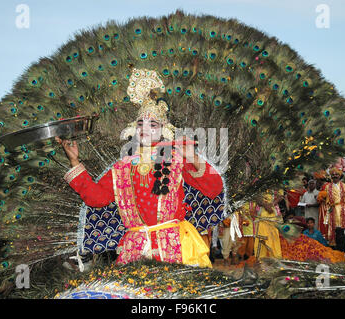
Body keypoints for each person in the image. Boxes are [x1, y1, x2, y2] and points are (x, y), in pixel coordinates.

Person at [57, 68, 223, 268]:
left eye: (152, 124)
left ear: (164, 130)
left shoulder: (175, 157)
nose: (145, 128)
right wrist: (75, 161)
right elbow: (97, 199)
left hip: (175, 247)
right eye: (140, 123)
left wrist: (193, 157)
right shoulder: (122, 167)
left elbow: (214, 188)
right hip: (135, 248)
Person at [320, 167, 345, 251]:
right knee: (334, 227)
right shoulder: (327, 187)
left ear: (340, 176)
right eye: (333, 175)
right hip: (333, 209)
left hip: (343, 208)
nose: (335, 176)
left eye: (337, 174)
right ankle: (335, 246)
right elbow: (326, 199)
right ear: (331, 176)